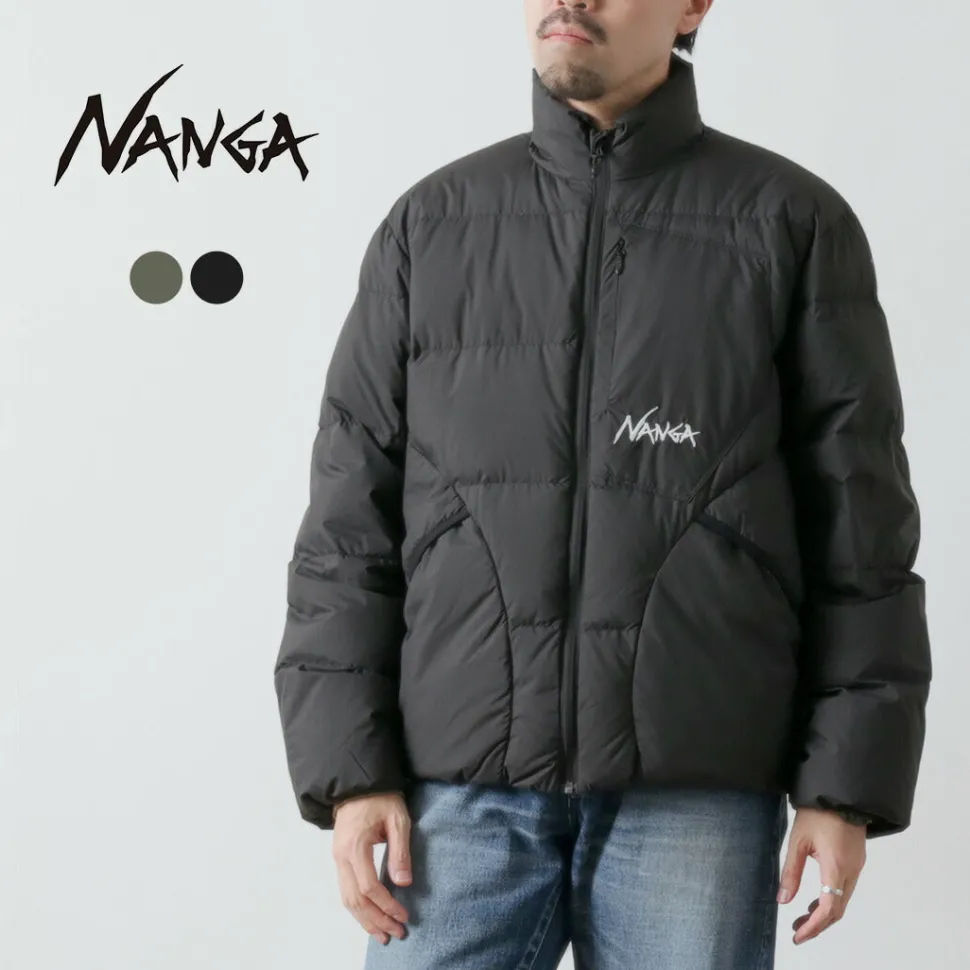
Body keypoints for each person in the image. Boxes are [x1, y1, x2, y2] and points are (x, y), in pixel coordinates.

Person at [272, 1, 932, 967]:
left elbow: (861, 529)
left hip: (696, 792)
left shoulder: (791, 222)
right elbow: (348, 523)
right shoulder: (433, 225)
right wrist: (350, 770)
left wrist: (844, 786)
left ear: (693, 5)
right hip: (455, 794)